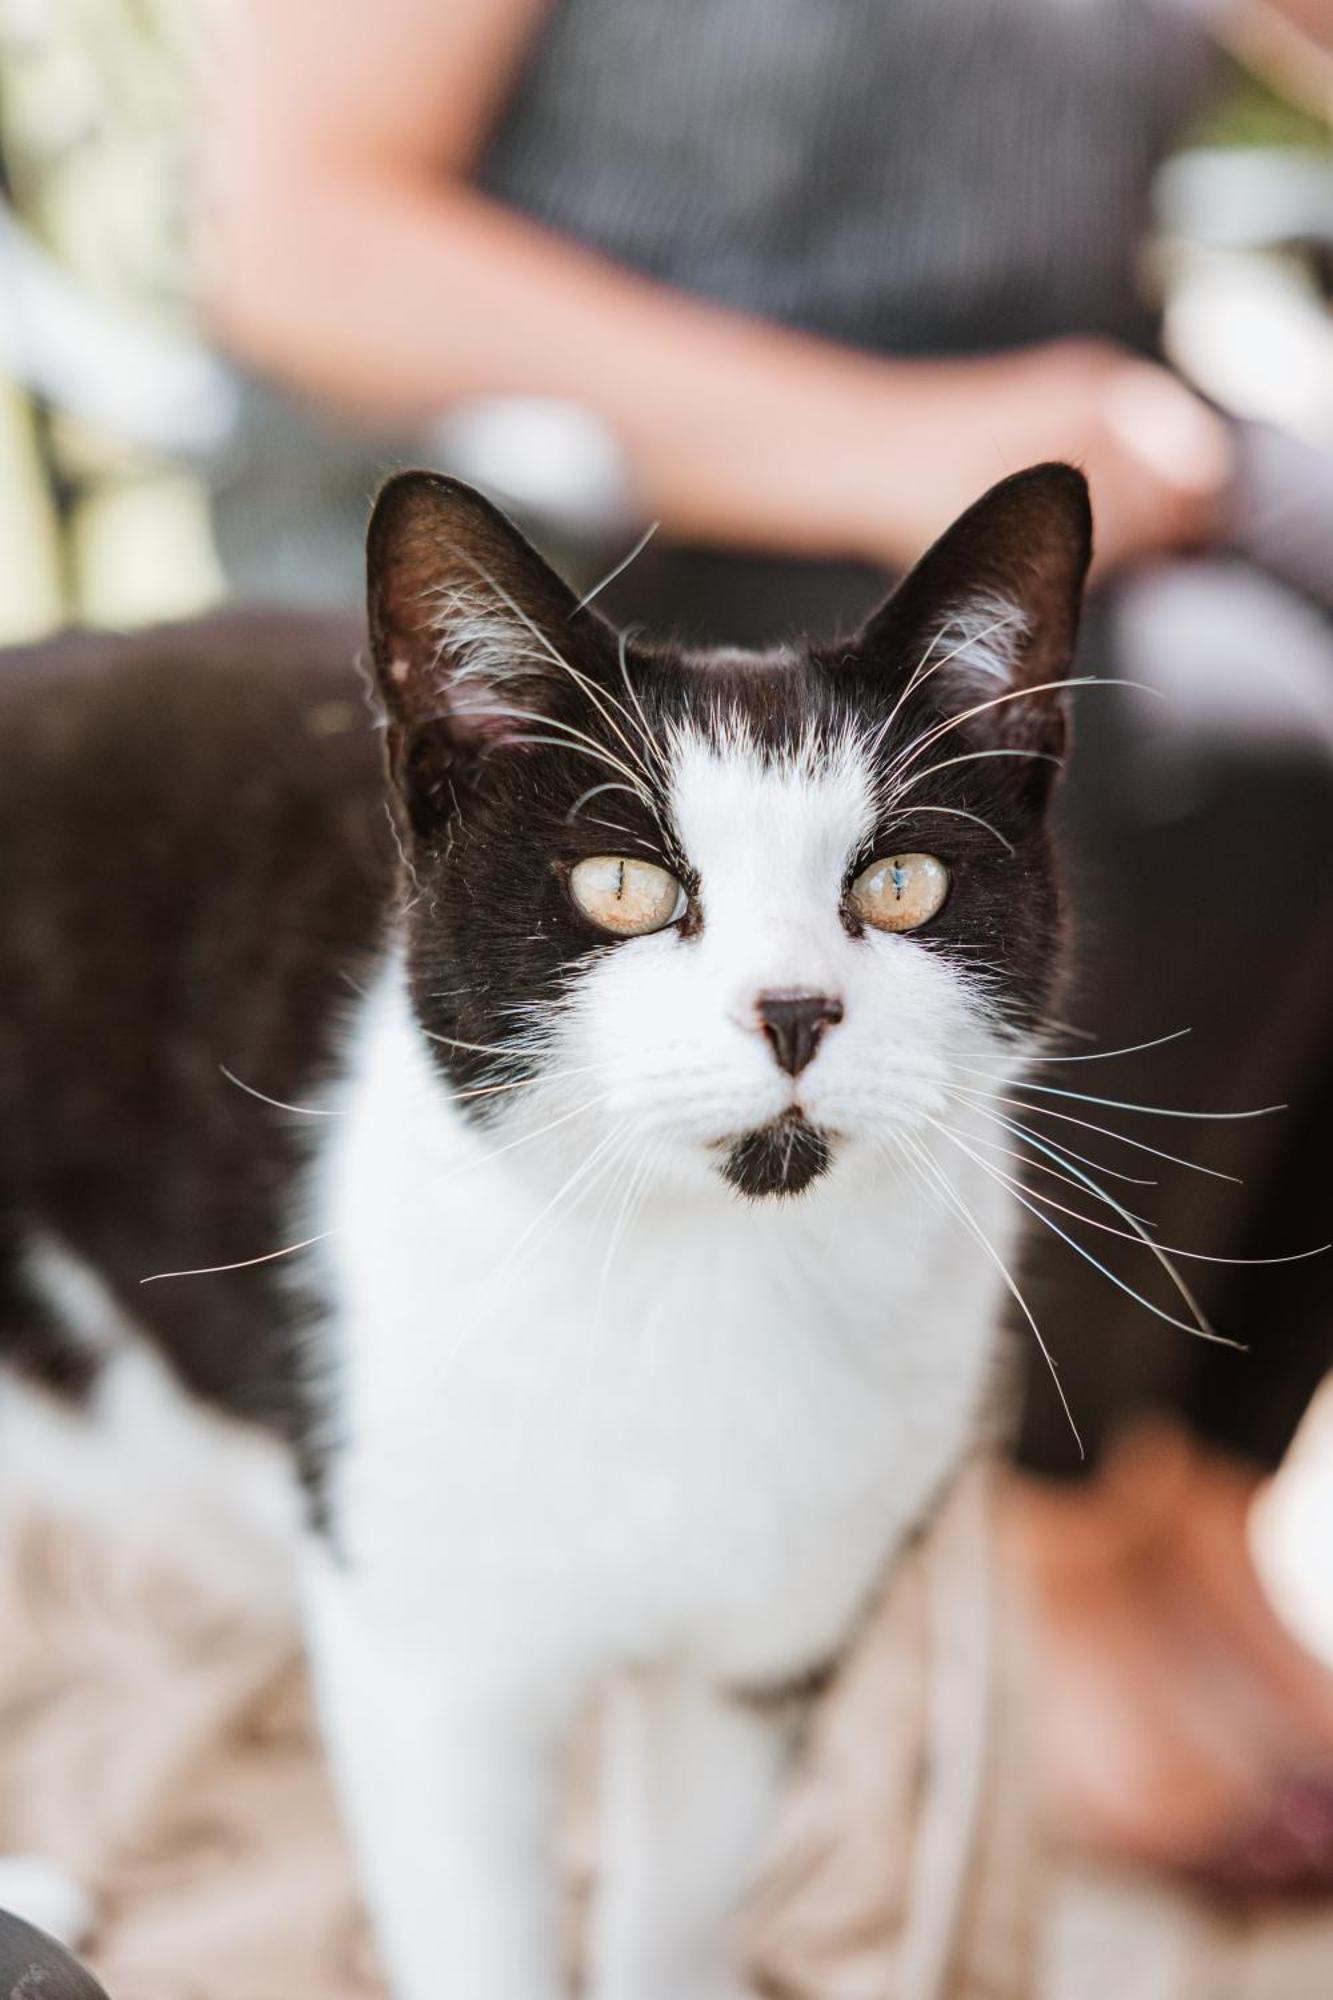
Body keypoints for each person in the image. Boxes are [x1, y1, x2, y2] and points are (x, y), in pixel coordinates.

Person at [195, 0, 1333, 1884]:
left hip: (1043, 424)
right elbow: (301, 235)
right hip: (603, 495)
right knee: (1222, 761)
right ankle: (1035, 1537)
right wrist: (875, 439)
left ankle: (1187, 1499)